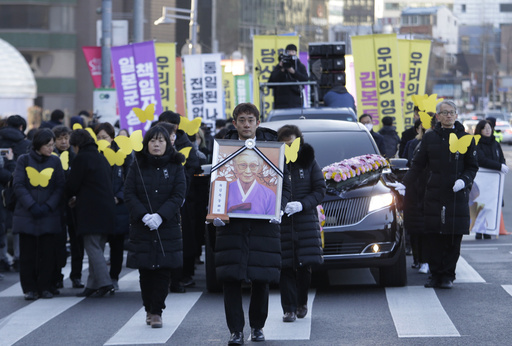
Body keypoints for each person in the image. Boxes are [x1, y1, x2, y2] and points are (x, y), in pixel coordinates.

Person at [214, 102, 291, 345]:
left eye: (251, 120)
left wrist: (279, 207)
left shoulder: (273, 148)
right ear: (234, 123)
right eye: (242, 120)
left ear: (258, 122)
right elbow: (215, 182)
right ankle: (236, 330)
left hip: (263, 225)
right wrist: (215, 211)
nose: (246, 124)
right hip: (231, 226)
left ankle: (257, 327)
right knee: (231, 279)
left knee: (261, 277)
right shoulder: (223, 148)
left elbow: (285, 185)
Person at [402, 100, 478, 289]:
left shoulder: (466, 138)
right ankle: (435, 274)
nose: (448, 116)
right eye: (444, 113)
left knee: (453, 236)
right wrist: (404, 185)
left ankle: (447, 275)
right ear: (437, 116)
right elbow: (417, 164)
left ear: (457, 115)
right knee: (433, 236)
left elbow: (472, 166)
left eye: (451, 112)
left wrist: (464, 181)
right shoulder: (430, 138)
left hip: (456, 195)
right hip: (434, 194)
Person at [124, 125, 186, 329]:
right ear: (146, 144)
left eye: (161, 140)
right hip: (142, 226)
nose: (156, 144)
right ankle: (148, 308)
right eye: (152, 140)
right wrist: (143, 215)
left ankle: (157, 310)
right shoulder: (137, 164)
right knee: (146, 271)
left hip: (166, 226)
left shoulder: (176, 165)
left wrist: (161, 216)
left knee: (163, 270)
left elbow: (178, 195)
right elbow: (129, 193)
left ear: (168, 143)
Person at [276, 125, 326, 322]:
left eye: (292, 143)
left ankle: (301, 302)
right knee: (285, 266)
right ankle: (288, 309)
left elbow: (320, 190)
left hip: (305, 220)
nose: (289, 147)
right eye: (285, 144)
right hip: (281, 222)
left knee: (304, 265)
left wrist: (301, 205)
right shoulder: (274, 163)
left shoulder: (309, 163)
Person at [12, 128, 65, 300]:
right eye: (48, 145)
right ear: (38, 145)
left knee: (47, 254)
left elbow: (59, 187)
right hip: (27, 214)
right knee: (27, 254)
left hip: (49, 214)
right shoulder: (23, 160)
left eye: (52, 145)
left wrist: (48, 206)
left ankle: (45, 287)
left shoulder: (55, 162)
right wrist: (32, 205)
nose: (51, 148)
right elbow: (18, 185)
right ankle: (29, 288)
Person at [66, 129, 116, 298]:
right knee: (98, 248)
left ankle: (105, 283)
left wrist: (70, 196)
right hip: (106, 209)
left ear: (77, 145)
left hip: (90, 210)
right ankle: (92, 285)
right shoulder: (101, 157)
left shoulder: (82, 158)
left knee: (92, 248)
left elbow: (72, 184)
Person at [158, 110, 201, 291]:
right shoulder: (154, 143)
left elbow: (193, 170)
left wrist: (183, 194)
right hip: (160, 201)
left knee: (184, 241)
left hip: (184, 202)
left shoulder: (186, 145)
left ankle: (183, 275)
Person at [95, 122, 132, 290]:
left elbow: (131, 178)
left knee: (116, 245)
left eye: (105, 137)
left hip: (118, 206)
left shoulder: (122, 153)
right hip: (100, 205)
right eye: (99, 138)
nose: (102, 140)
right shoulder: (95, 154)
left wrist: (119, 196)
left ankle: (114, 277)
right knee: (98, 245)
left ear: (112, 137)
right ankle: (99, 278)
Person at [52, 125, 83, 289]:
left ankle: (76, 276)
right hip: (57, 207)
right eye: (60, 139)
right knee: (58, 243)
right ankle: (57, 276)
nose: (64, 142)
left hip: (74, 206)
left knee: (78, 243)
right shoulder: (52, 157)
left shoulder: (76, 156)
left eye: (66, 138)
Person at [0, 115, 30, 272]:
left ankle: (2, 259)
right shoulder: (25, 145)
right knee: (19, 222)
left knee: (1, 226)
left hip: (1, 188)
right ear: (21, 127)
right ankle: (19, 258)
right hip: (19, 189)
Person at [473, 119, 508, 239]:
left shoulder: (495, 143)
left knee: (492, 204)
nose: (488, 130)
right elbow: (481, 160)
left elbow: (501, 157)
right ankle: (479, 229)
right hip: (482, 179)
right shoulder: (477, 143)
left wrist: (502, 165)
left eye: (489, 128)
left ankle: (489, 229)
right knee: (481, 203)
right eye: (485, 128)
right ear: (480, 130)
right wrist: (498, 166)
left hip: (494, 180)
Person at [227, 150, 276, 215]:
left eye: (253, 166)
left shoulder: (269, 195)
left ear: (259, 168)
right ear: (235, 166)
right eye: (243, 165)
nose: (247, 171)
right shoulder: (225, 190)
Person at [268, 44, 308, 109]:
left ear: (296, 53)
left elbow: (305, 79)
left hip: (296, 101)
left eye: (292, 51)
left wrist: (294, 72)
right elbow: (270, 82)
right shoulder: (279, 66)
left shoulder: (300, 66)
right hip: (281, 102)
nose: (290, 54)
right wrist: (281, 70)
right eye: (288, 52)